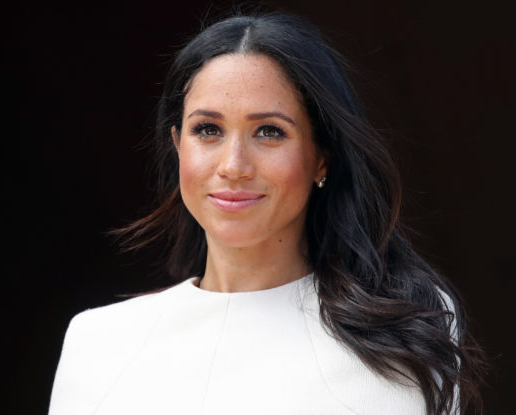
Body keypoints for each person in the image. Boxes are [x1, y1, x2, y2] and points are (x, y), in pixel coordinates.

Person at [48, 12, 486, 415]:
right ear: (177, 144)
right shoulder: (97, 344)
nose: (233, 165)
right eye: (208, 130)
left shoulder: (400, 342)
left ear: (322, 157)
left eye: (269, 132)